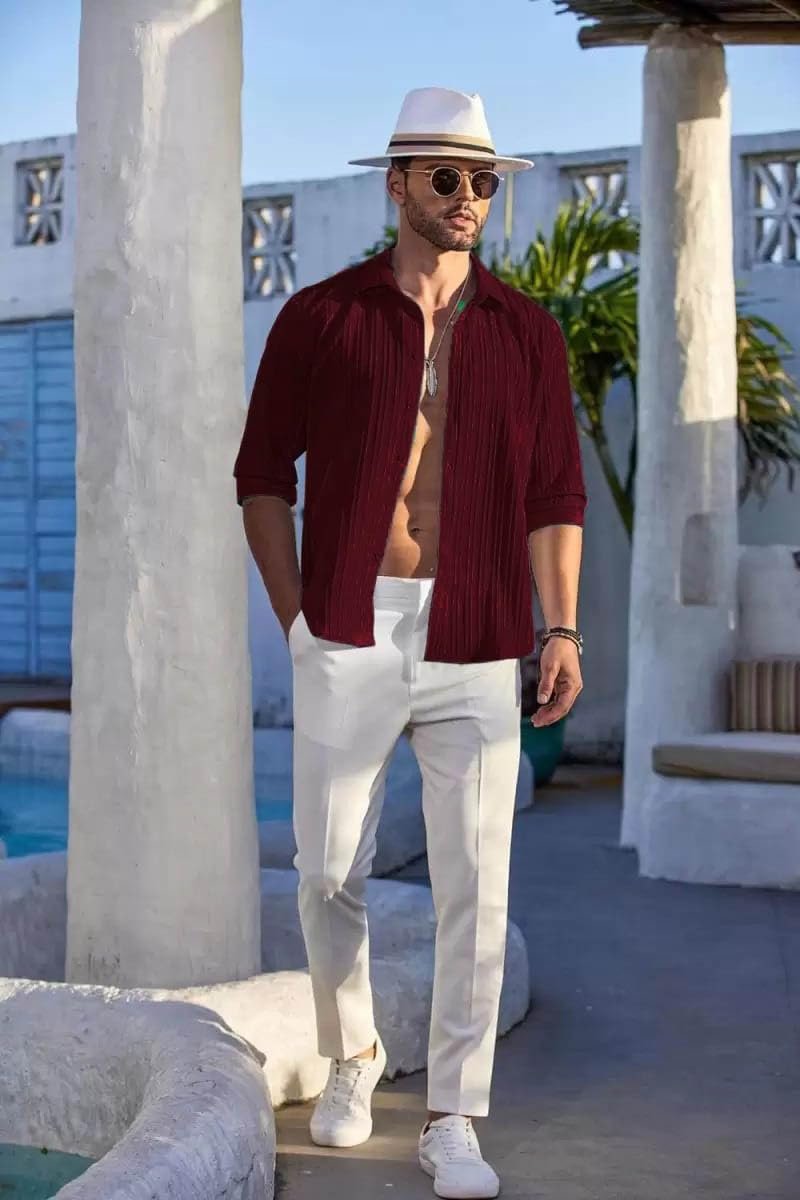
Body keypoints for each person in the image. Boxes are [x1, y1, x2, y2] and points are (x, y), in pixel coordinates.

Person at [234, 86, 587, 1200]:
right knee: (326, 868)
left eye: (483, 180)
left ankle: (454, 1116)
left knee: (475, 884)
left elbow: (555, 493)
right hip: (349, 621)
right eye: (446, 177)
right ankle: (352, 1057)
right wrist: (297, 617)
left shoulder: (526, 332)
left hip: (478, 630)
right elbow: (260, 475)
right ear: (396, 185)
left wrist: (560, 626)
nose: (468, 196)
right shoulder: (322, 317)